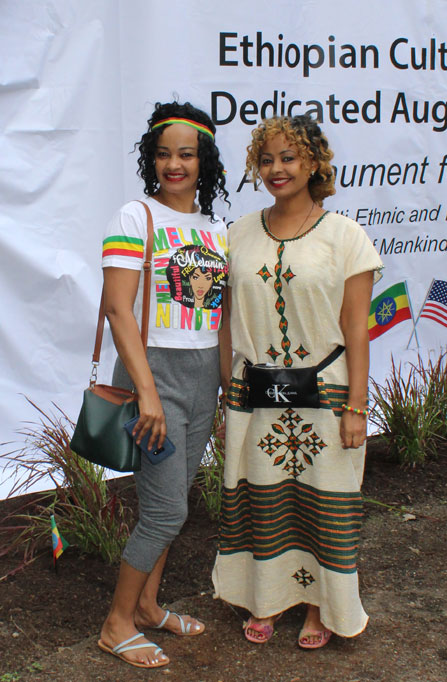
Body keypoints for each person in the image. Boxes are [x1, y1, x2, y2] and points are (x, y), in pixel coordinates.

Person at [212, 115, 383, 649]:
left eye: (288, 157)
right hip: (255, 396)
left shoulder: (345, 235)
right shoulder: (236, 234)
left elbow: (357, 327)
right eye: (266, 160)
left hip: (326, 394)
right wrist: (228, 396)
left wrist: (357, 406)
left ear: (313, 163)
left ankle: (319, 608)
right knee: (263, 501)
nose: (276, 169)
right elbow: (225, 323)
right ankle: (265, 599)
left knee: (323, 503)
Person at [98, 101, 229, 669]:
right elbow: (117, 310)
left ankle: (149, 607)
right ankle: (116, 624)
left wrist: (227, 389)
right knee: (164, 511)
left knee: (173, 499)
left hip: (203, 378)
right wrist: (147, 391)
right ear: (151, 159)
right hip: (153, 373)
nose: (174, 164)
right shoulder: (135, 216)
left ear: (205, 161)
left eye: (187, 153)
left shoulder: (216, 229)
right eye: (163, 153)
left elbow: (219, 318)